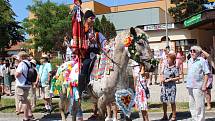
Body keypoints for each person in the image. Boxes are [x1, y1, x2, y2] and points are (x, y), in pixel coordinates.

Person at [186, 46, 210, 121]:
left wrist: (204, 85)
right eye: (191, 51)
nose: (192, 52)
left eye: (194, 51)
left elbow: (206, 73)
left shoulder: (202, 60)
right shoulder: (189, 60)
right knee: (191, 104)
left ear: (198, 52)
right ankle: (194, 118)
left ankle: (200, 119)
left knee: (199, 104)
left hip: (198, 85)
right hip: (190, 85)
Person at [160, 51, 180, 121]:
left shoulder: (175, 68)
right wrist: (162, 79)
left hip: (171, 87)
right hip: (164, 87)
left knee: (172, 101)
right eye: (167, 58)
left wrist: (171, 79)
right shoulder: (165, 67)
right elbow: (162, 74)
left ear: (172, 59)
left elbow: (178, 77)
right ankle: (165, 115)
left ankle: (174, 116)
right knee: (164, 101)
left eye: (168, 58)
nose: (167, 60)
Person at [15, 51, 34, 121]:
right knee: (26, 99)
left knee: (23, 101)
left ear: (21, 57)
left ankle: (26, 117)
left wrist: (15, 73)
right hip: (27, 84)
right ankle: (30, 114)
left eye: (19, 57)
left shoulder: (22, 64)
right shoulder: (29, 63)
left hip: (21, 85)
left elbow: (17, 74)